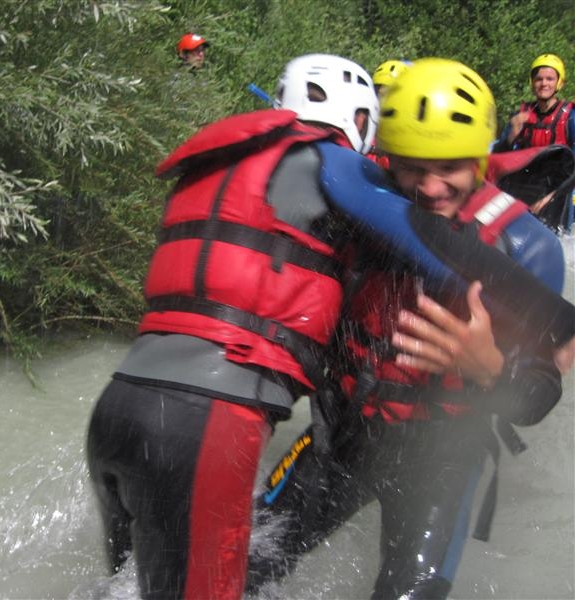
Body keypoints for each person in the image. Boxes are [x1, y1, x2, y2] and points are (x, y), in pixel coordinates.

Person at [246, 58, 568, 599]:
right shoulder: (366, 208)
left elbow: (539, 395)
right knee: (240, 567)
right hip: (340, 434)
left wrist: (489, 367)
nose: (431, 186)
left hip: (440, 458)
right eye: (413, 167)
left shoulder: (526, 246)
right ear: (388, 158)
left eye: (450, 166)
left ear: (481, 155)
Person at [85, 53, 379, 600]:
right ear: (358, 118)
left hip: (116, 414)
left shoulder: (221, 163)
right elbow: (422, 244)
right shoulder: (334, 169)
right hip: (197, 427)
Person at [493, 53, 574, 153]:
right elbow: (498, 156)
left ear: (559, 83)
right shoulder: (520, 116)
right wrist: (511, 137)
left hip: (561, 168)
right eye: (539, 79)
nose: (544, 84)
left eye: (550, 79)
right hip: (529, 168)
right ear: (532, 82)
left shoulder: (571, 117)